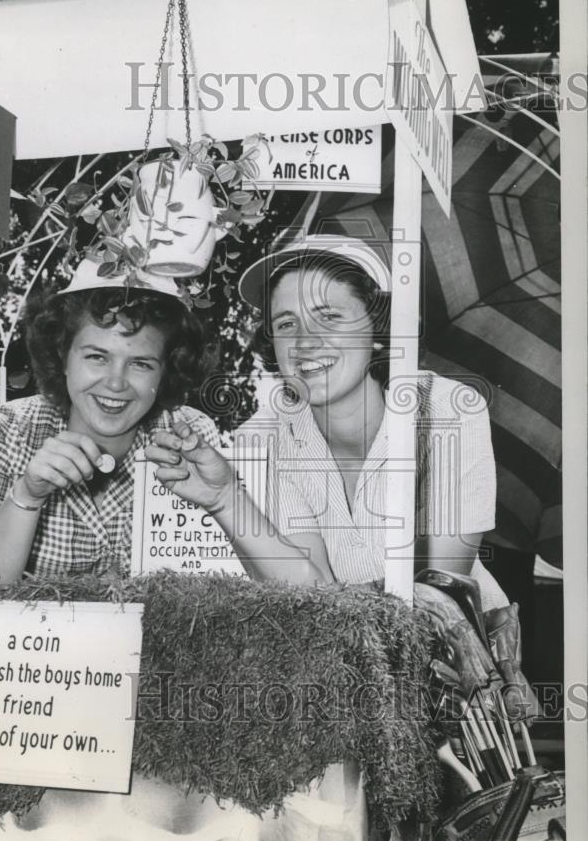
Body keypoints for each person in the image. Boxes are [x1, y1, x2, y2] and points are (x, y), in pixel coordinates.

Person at [146, 237, 508, 608]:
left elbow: (435, 597)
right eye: (287, 325)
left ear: (378, 327)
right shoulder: (268, 434)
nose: (305, 342)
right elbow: (309, 597)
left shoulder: (446, 411)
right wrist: (224, 498)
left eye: (329, 316)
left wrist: (333, 602)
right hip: (348, 653)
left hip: (455, 651)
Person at [0, 259, 220, 582]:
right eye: (97, 357)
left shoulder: (189, 436)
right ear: (62, 357)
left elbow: (208, 587)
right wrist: (27, 496)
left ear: (165, 372)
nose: (116, 383)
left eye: (141, 364)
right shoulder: (2, 431)